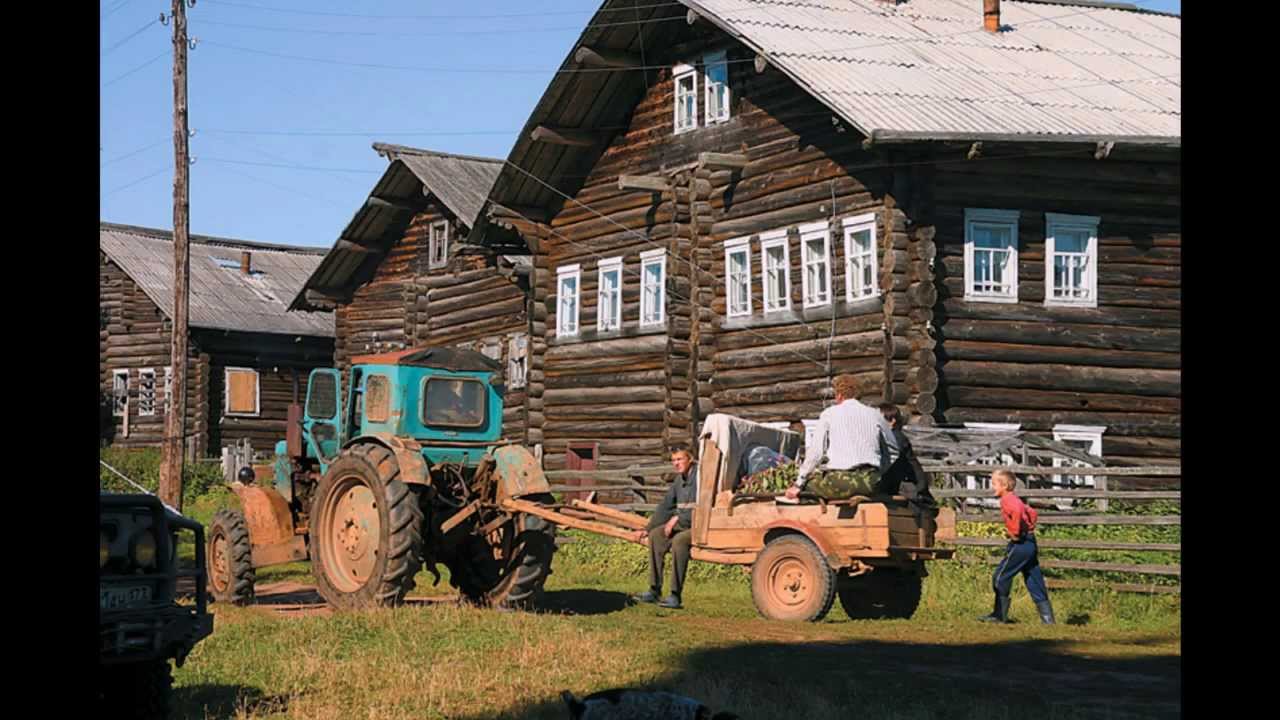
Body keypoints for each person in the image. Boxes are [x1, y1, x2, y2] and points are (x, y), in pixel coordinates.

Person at [784, 374, 899, 501]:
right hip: (870, 482)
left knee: (807, 488)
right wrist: (881, 472)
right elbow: (893, 450)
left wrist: (799, 483)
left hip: (840, 481)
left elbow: (816, 452)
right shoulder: (875, 415)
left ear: (839, 395)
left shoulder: (829, 414)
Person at [980, 470, 1056, 625]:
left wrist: (1014, 532)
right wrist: (1030, 527)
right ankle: (1048, 619)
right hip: (1030, 542)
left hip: (1020, 544)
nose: (992, 486)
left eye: (994, 483)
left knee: (1000, 577)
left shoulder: (1008, 500)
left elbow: (1018, 511)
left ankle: (999, 614)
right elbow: (1031, 512)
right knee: (1034, 579)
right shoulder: (1015, 499)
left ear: (1004, 485)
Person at [632, 446, 698, 610]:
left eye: (680, 459)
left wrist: (676, 519)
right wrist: (647, 529)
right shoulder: (679, 481)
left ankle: (675, 595)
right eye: (674, 460)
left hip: (698, 525)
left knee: (679, 541)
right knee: (655, 535)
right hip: (682, 523)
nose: (676, 463)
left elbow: (703, 508)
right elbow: (665, 507)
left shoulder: (701, 478)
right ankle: (654, 590)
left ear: (690, 459)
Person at [878, 403, 938, 541]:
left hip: (911, 487)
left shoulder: (896, 438)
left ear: (892, 421)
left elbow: (891, 464)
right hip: (903, 484)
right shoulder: (891, 437)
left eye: (881, 420)